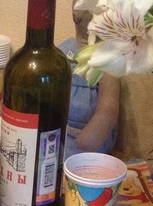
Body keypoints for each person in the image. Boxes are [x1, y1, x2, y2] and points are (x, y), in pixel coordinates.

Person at [58, 9, 120, 159]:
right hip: (58, 131)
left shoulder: (106, 57)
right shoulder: (63, 49)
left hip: (86, 139)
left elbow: (108, 109)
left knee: (79, 161)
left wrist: (90, 139)